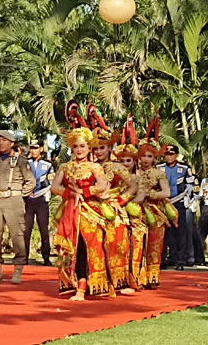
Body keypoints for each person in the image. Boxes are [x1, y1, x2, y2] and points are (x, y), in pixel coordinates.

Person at [51, 122, 109, 301]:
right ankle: (73, 284)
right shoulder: (64, 167)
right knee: (70, 249)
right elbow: (54, 187)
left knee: (88, 248)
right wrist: (71, 193)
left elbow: (102, 186)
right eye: (75, 146)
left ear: (88, 147)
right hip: (70, 210)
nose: (79, 149)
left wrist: (83, 193)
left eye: (82, 146)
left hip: (90, 210)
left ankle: (85, 287)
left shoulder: (95, 167)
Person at [89, 115, 138, 294]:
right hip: (93, 209)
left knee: (117, 245)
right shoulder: (90, 166)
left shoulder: (118, 167)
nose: (98, 152)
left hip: (114, 209)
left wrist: (120, 200)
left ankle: (120, 283)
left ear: (109, 148)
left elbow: (133, 186)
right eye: (96, 149)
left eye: (102, 148)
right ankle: (98, 282)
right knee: (96, 247)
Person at [0, 129, 35, 285]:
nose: (1, 143)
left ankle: (18, 270)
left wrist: (19, 195)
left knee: (17, 235)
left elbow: (30, 182)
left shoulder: (20, 160)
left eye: (4, 140)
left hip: (13, 200)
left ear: (12, 143)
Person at [136, 127, 174, 288]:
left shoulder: (159, 174)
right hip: (136, 211)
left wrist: (149, 194)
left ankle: (152, 277)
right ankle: (137, 277)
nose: (146, 159)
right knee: (138, 246)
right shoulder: (133, 172)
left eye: (149, 156)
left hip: (154, 212)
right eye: (143, 155)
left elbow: (166, 192)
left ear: (154, 158)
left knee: (154, 245)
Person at [114, 136, 148, 290]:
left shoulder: (138, 178)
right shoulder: (115, 179)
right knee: (120, 249)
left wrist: (125, 204)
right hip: (117, 216)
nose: (125, 164)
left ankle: (134, 281)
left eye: (128, 161)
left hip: (135, 217)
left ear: (134, 162)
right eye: (121, 161)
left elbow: (140, 196)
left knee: (135, 248)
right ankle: (119, 280)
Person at [158, 145, 194, 270]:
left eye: (171, 154)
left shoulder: (184, 168)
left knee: (180, 232)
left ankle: (180, 260)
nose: (169, 156)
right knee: (164, 232)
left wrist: (187, 201)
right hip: (162, 203)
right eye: (167, 154)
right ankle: (163, 259)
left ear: (177, 155)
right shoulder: (159, 167)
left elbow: (190, 185)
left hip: (178, 202)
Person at [24, 140, 53, 266]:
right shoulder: (25, 163)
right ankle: (23, 257)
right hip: (28, 199)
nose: (33, 150)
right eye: (31, 148)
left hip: (41, 199)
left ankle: (46, 257)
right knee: (26, 229)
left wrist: (44, 188)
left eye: (36, 148)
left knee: (43, 229)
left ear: (41, 149)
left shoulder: (48, 164)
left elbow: (52, 181)